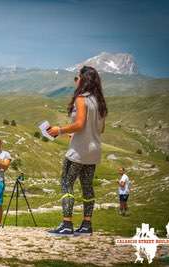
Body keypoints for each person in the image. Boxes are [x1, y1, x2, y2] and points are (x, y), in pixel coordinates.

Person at [47, 66, 107, 236]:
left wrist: (60, 130)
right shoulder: (99, 101)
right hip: (94, 151)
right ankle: (87, 225)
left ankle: (67, 224)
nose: (75, 81)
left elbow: (80, 124)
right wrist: (77, 133)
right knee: (87, 187)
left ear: (83, 80)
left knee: (67, 183)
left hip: (79, 151)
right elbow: (100, 129)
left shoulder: (81, 99)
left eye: (77, 78)